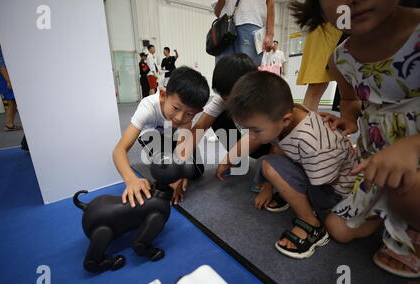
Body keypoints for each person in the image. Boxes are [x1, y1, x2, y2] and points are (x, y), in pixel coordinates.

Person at [290, 0, 420, 284]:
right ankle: (395, 219)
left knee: (407, 192)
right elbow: (350, 100)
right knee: (338, 228)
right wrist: (348, 120)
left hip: (413, 161)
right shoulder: (342, 59)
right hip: (375, 166)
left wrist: (412, 146)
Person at [220, 71, 357, 258]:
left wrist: (286, 185)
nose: (251, 136)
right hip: (315, 172)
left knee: (268, 165)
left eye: (255, 130)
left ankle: (312, 225)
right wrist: (230, 162)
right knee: (268, 162)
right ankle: (291, 193)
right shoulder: (286, 116)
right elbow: (280, 147)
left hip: (333, 191)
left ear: (285, 120)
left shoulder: (313, 143)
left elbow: (328, 181)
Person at [187, 54, 287, 211]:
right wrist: (179, 164)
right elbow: (201, 125)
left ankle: (278, 183)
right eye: (224, 98)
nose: (227, 102)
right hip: (253, 143)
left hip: (277, 148)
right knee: (216, 116)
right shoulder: (223, 99)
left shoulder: (267, 101)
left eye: (231, 98)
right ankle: (240, 159)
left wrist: (269, 184)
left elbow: (266, 141)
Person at [113, 66, 210, 207]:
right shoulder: (148, 107)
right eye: (176, 108)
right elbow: (119, 150)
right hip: (153, 138)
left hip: (174, 138)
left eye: (189, 114)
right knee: (163, 169)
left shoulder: (187, 115)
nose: (179, 117)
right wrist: (131, 180)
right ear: (163, 95)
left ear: (198, 111)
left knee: (195, 171)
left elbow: (182, 149)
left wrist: (179, 174)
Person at [287, 4, 343, 111]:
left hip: (340, 21)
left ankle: (306, 122)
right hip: (328, 22)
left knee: (321, 83)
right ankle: (305, 123)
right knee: (318, 82)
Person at [212, 0, 275, 65]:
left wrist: (270, 34)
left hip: (251, 23)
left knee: (248, 71)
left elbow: (270, 2)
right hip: (224, 28)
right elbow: (217, 13)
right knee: (222, 70)